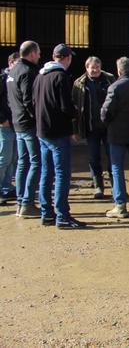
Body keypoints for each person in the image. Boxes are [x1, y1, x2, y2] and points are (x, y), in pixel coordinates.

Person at [34, 44, 85, 229]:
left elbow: (34, 101)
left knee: (46, 173)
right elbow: (65, 106)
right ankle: (62, 215)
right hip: (58, 133)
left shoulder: (40, 76)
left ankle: (47, 213)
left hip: (42, 132)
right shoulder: (61, 77)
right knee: (62, 173)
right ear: (66, 58)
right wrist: (76, 112)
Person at [100, 57, 129, 218]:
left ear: (119, 71)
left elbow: (105, 112)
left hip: (117, 134)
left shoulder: (115, 87)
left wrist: (108, 123)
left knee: (117, 168)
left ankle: (120, 205)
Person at [72, 56, 115, 199]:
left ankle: (116, 187)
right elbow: (75, 108)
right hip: (90, 128)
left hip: (108, 127)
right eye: (92, 68)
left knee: (112, 157)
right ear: (87, 68)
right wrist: (76, 130)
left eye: (97, 67)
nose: (95, 70)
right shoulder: (79, 84)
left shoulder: (110, 79)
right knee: (93, 158)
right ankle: (98, 186)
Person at [8, 40, 41, 218]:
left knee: (23, 163)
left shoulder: (13, 70)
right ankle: (27, 202)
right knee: (36, 162)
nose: (40, 56)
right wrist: (37, 119)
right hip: (28, 124)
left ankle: (21, 202)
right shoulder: (28, 72)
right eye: (38, 53)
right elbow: (29, 100)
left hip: (17, 122)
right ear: (32, 53)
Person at [0, 52, 19, 205]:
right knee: (4, 157)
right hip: (5, 123)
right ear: (11, 62)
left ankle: (7, 186)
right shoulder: (3, 79)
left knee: (13, 157)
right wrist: (2, 120)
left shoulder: (16, 78)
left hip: (15, 122)